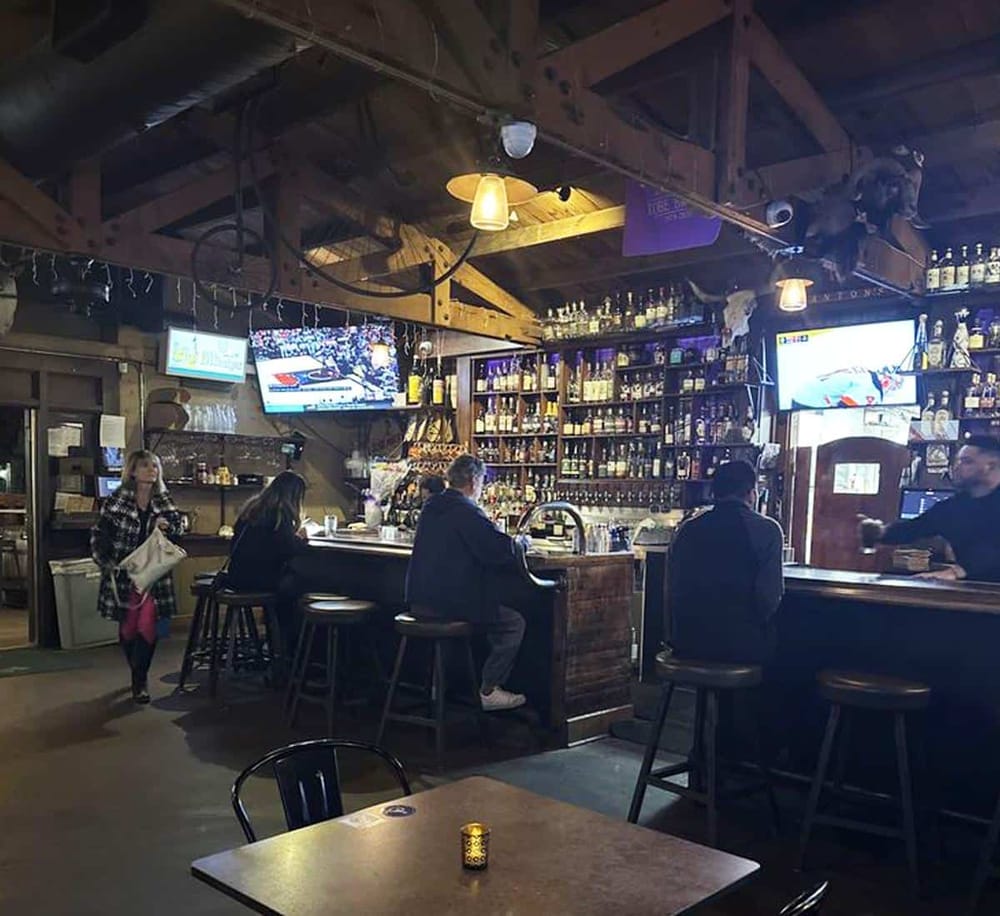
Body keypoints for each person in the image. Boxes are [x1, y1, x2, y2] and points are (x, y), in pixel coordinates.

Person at [405, 454, 530, 711]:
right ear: (474, 481)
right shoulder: (465, 510)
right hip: (450, 604)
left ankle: (440, 687)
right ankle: (488, 689)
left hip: (419, 600)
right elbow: (501, 549)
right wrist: (522, 544)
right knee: (513, 623)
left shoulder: (432, 507)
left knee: (490, 614)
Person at [668, 460, 785, 664]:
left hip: (687, 643)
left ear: (714, 493)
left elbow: (673, 589)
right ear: (752, 492)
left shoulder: (687, 529)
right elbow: (769, 597)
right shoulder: (767, 530)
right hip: (740, 647)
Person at [91, 449, 183, 703]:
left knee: (148, 624)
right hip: (124, 573)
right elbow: (99, 535)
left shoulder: (163, 501)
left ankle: (139, 679)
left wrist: (168, 527)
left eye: (155, 465)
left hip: (154, 574)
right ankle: (136, 669)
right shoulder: (117, 500)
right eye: (145, 465)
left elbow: (179, 529)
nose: (151, 470)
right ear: (132, 470)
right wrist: (106, 563)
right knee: (129, 627)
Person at [860, 435, 1000, 581]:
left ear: (989, 466)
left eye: (966, 462)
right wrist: (880, 532)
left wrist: (957, 572)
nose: (956, 467)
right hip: (975, 594)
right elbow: (914, 528)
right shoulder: (953, 508)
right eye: (957, 461)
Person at [226, 471, 310, 634]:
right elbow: (288, 548)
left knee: (290, 583)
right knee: (299, 584)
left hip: (236, 576)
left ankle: (275, 639)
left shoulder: (253, 507)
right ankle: (288, 642)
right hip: (258, 580)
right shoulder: (280, 512)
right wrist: (300, 538)